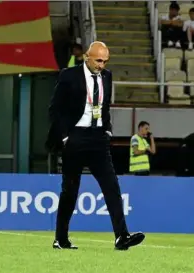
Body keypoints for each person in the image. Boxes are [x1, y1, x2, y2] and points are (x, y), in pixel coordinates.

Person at [46, 41, 145, 251]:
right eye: (99, 60)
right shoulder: (68, 75)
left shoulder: (107, 77)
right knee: (70, 191)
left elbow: (105, 105)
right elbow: (55, 109)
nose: (102, 65)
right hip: (75, 137)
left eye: (105, 61)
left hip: (98, 138)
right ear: (87, 57)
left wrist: (107, 128)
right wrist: (65, 136)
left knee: (112, 187)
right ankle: (61, 239)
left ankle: (121, 236)